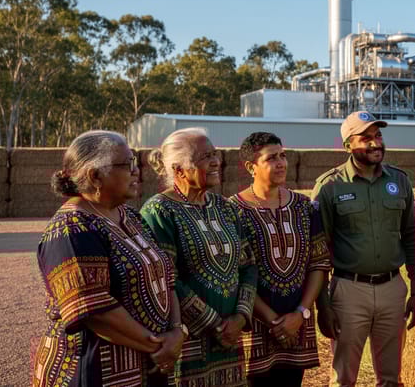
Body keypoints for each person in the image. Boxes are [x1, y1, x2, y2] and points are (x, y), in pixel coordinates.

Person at [33, 130, 185, 387]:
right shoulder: (71, 229)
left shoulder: (129, 216)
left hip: (149, 361)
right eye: (127, 164)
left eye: (135, 162)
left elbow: (166, 278)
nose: (137, 171)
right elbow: (94, 311)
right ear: (95, 175)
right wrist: (161, 346)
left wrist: (177, 331)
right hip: (94, 369)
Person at [312, 110, 415, 387]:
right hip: (349, 290)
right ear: (348, 145)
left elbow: (412, 235)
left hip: (392, 289)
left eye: (378, 135)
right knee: (344, 378)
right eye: (366, 138)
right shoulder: (329, 186)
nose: (376, 142)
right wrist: (323, 305)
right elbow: (317, 250)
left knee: (391, 379)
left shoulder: (399, 181)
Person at [141, 127, 258, 387]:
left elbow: (248, 266)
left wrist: (240, 317)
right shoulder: (160, 211)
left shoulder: (226, 208)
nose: (216, 161)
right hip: (187, 340)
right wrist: (215, 324)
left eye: (215, 154)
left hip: (230, 338)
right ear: (179, 170)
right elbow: (165, 276)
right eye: (205, 157)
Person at [228, 132, 331, 386]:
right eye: (271, 158)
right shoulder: (233, 210)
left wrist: (300, 313)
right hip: (256, 327)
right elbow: (237, 274)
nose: (281, 163)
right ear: (251, 167)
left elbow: (318, 264)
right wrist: (274, 321)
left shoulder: (305, 207)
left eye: (283, 156)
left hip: (298, 325)